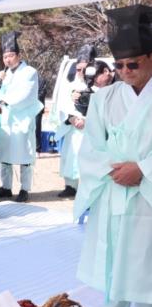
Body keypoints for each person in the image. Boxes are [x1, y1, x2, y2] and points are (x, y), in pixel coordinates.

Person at [74, 4, 152, 307]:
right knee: (116, 247)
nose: (124, 71)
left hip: (147, 189)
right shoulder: (104, 98)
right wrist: (114, 170)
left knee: (145, 251)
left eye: (133, 64)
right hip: (114, 184)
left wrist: (143, 169)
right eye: (119, 65)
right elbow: (92, 146)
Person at [0, 31, 43, 203]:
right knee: (4, 156)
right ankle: (6, 187)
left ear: (18, 55)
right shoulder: (3, 74)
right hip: (5, 120)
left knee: (24, 156)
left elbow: (26, 94)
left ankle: (24, 189)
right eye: (5, 57)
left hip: (21, 120)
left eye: (11, 56)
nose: (8, 60)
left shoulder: (30, 72)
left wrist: (6, 100)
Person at [53, 44, 98, 198]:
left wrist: (86, 120)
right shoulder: (70, 86)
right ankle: (70, 186)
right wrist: (71, 118)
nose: (80, 73)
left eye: (84, 69)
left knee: (87, 159)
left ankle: (87, 187)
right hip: (73, 129)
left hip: (90, 131)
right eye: (78, 69)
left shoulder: (99, 86)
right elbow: (62, 106)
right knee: (70, 156)